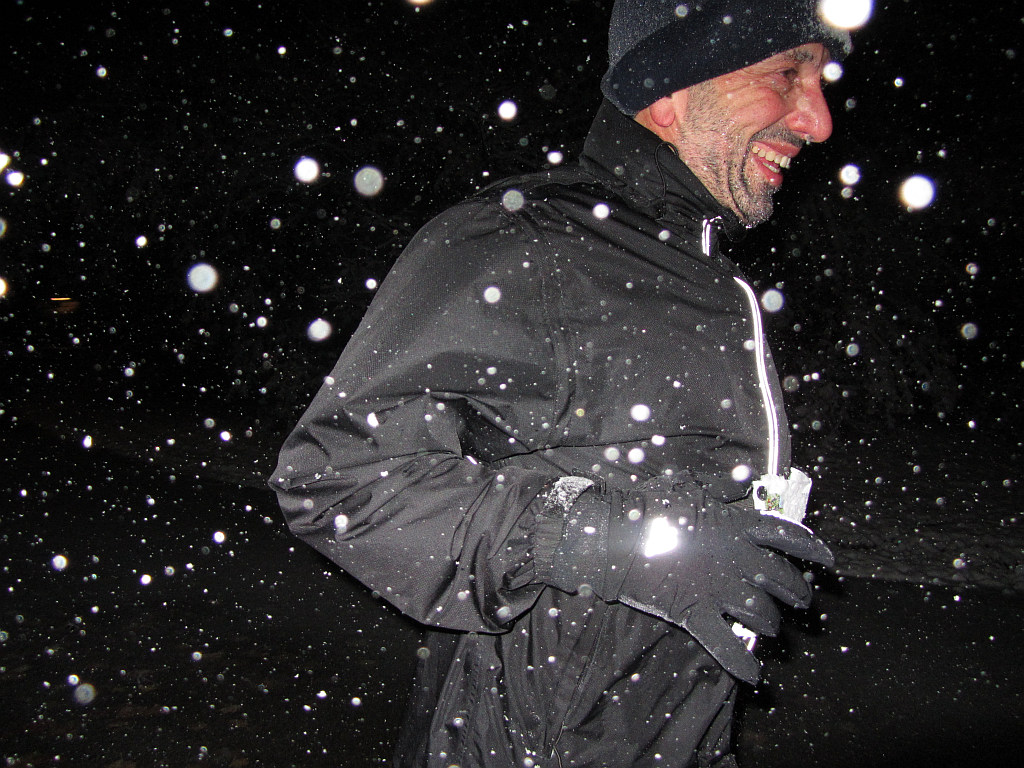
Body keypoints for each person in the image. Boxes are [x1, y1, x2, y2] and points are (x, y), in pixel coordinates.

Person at [270, 1, 852, 765]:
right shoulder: (527, 240)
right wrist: (625, 546)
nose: (818, 121)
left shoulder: (707, 279)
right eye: (784, 76)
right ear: (668, 90)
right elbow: (337, 481)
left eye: (820, 83)